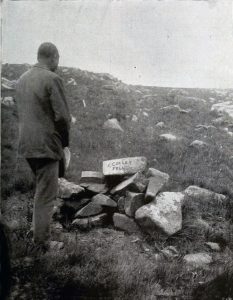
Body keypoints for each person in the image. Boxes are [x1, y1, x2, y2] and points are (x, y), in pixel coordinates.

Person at [16, 42, 71, 251]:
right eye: (58, 59)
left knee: (40, 191)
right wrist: (64, 144)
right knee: (46, 195)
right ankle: (42, 244)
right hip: (47, 146)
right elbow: (63, 118)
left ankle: (36, 234)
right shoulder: (53, 79)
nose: (58, 64)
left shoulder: (21, 79)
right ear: (54, 57)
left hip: (27, 145)